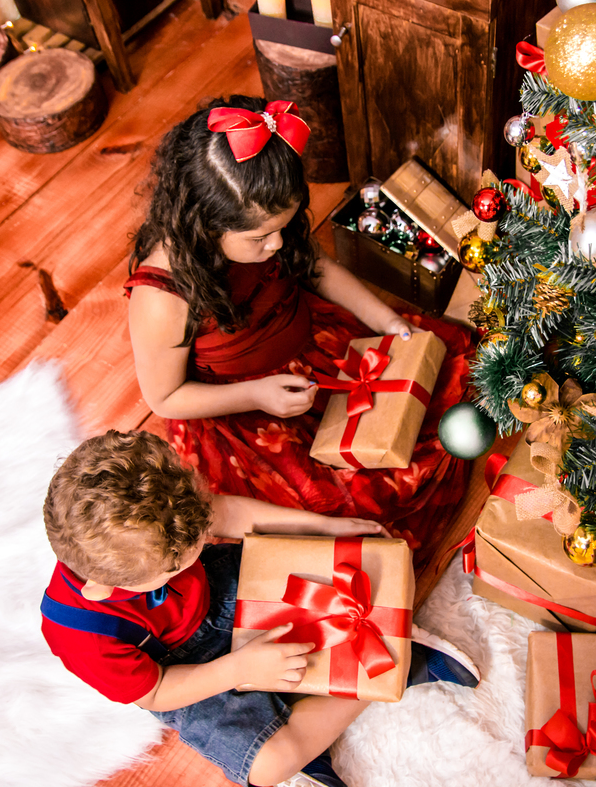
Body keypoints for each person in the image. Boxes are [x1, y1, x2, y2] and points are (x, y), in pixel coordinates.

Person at [124, 95, 475, 565]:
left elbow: (316, 268)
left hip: (313, 349)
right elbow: (164, 399)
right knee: (347, 504)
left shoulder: (272, 233)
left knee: (435, 387)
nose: (277, 245)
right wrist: (258, 395)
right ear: (204, 223)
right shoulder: (163, 295)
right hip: (241, 407)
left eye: (285, 229)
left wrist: (384, 320)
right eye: (259, 238)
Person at [40, 430, 480, 787]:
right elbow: (157, 691)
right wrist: (239, 668)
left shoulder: (164, 508)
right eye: (178, 565)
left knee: (343, 592)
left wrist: (324, 528)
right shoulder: (82, 637)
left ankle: (343, 678)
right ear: (104, 588)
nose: (202, 543)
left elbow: (229, 515)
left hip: (222, 590)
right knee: (269, 765)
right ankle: (394, 669)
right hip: (182, 675)